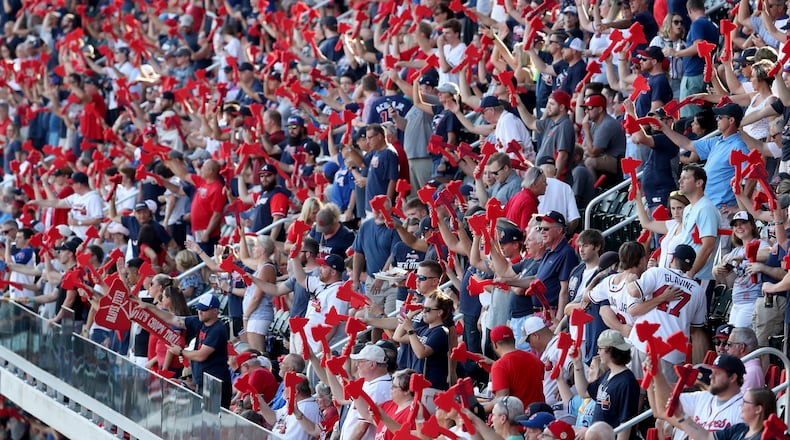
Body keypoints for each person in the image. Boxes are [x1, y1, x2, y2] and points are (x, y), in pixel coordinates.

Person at [140, 293, 232, 408]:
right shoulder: (200, 321)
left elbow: (201, 355)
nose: (200, 312)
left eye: (204, 309)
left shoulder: (217, 329)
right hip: (203, 381)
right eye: (199, 308)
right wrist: (149, 307)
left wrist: (181, 352)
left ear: (214, 311)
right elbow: (173, 319)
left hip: (216, 384)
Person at [648, 354, 745, 437]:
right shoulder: (703, 397)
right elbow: (668, 402)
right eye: (712, 372)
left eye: (718, 373)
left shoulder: (743, 408)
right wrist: (657, 374)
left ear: (732, 377)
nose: (712, 376)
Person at [571, 330, 641, 439]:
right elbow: (584, 392)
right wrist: (577, 363)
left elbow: (626, 423)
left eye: (600, 349)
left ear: (610, 350)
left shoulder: (627, 382)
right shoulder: (609, 374)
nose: (598, 352)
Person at [711, 211, 770, 327]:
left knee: (740, 337)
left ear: (752, 226)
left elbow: (769, 253)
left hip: (753, 300)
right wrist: (717, 270)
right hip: (736, 301)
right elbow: (719, 277)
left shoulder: (760, 243)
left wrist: (743, 257)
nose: (739, 227)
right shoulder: (736, 250)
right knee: (733, 338)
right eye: (735, 225)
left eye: (742, 223)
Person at [665, 387, 776, 440]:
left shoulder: (767, 437)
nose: (740, 405)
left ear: (758, 409)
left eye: (745, 402)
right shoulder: (739, 429)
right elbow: (706, 436)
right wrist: (681, 415)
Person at [484, 325, 546, 409]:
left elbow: (502, 400)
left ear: (495, 345)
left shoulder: (499, 366)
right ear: (514, 340)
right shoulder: (534, 358)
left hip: (518, 418)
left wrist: (481, 411)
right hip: (540, 415)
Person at [581, 94, 626, 181]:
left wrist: (586, 130)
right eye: (585, 108)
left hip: (617, 161)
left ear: (600, 109)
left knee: (589, 162)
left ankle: (593, 191)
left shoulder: (607, 124)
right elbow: (585, 146)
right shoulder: (594, 123)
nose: (586, 111)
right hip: (605, 156)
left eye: (590, 108)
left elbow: (593, 153)